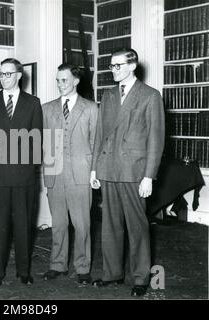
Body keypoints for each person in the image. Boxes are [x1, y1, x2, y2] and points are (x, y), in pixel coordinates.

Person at [90, 48, 165, 296]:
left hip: (134, 172)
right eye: (111, 66)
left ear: (132, 66)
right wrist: (94, 169)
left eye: (118, 66)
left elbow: (156, 139)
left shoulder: (150, 95)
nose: (114, 70)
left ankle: (142, 278)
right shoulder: (109, 95)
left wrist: (148, 176)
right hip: (109, 168)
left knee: (137, 227)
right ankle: (112, 274)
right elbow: (100, 134)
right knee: (110, 226)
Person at [0, 58, 43, 286]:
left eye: (8, 74)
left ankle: (24, 271)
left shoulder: (33, 103)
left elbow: (36, 141)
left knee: (24, 225)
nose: (4, 78)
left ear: (19, 75)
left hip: (24, 176)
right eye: (1, 74)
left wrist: (30, 170)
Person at [42, 63, 98, 285]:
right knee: (58, 224)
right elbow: (42, 142)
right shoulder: (46, 109)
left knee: (82, 224)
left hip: (81, 174)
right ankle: (57, 264)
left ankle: (83, 267)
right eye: (57, 80)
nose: (60, 84)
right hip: (54, 173)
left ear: (76, 81)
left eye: (64, 80)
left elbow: (95, 142)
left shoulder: (91, 108)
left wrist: (94, 172)